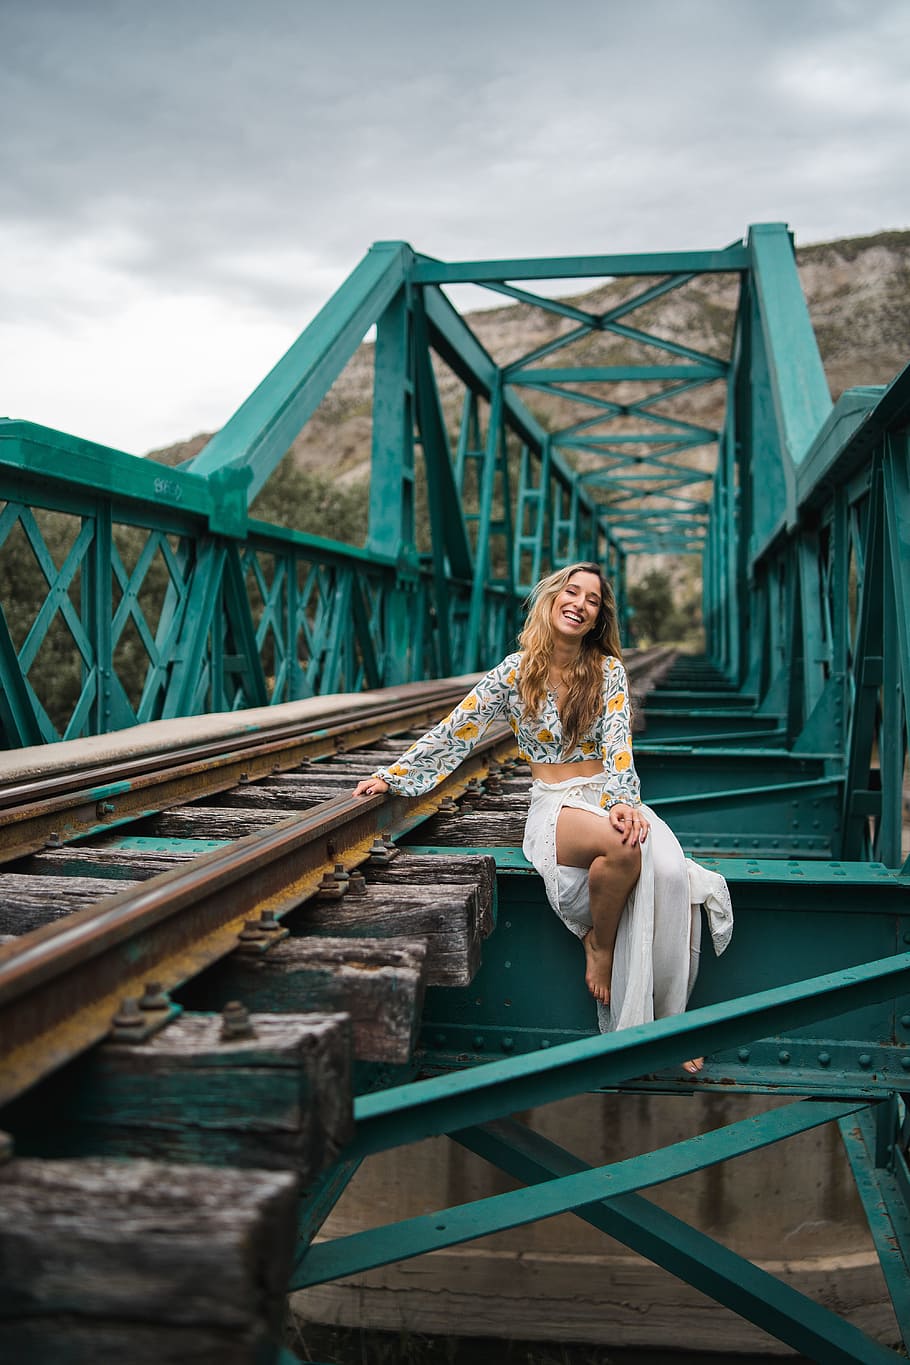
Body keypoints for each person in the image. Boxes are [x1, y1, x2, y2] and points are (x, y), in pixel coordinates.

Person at [353, 562, 731, 1072]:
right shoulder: (514, 672)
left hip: (607, 793)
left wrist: (623, 799)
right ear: (552, 601)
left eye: (592, 600)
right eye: (570, 593)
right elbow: (456, 730)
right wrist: (396, 778)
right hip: (556, 804)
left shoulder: (608, 671)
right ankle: (598, 945)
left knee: (665, 872)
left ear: (599, 617)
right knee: (624, 849)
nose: (579, 603)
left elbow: (619, 741)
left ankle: (668, 1022)